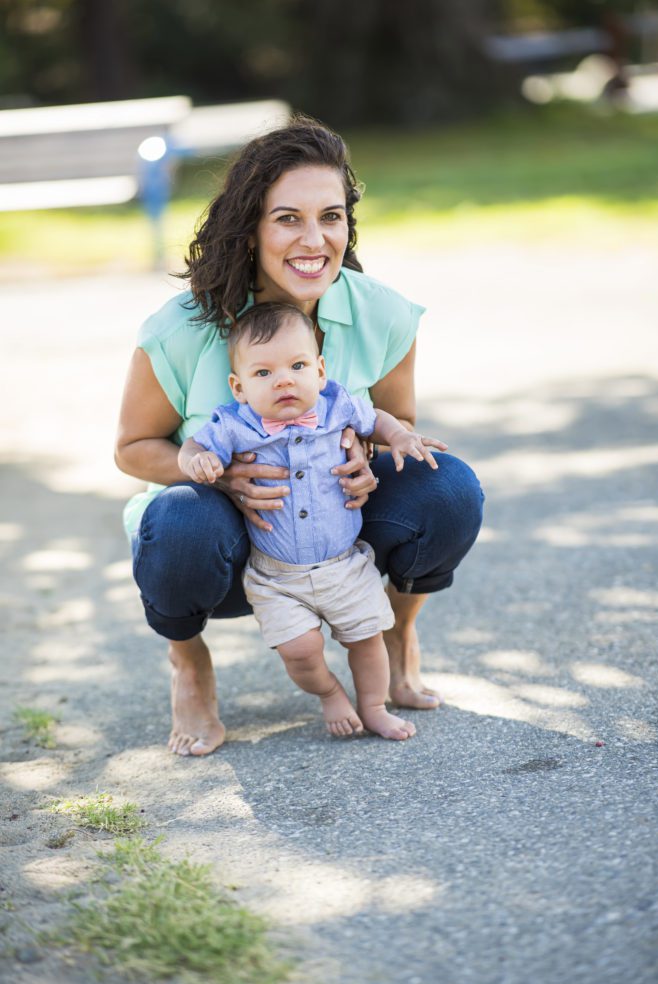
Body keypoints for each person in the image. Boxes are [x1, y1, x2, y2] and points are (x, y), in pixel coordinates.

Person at [115, 114, 484, 757]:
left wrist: (368, 457)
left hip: (337, 532)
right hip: (229, 544)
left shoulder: (383, 313)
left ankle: (395, 634)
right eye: (288, 218)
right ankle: (189, 663)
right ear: (249, 226)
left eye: (331, 216)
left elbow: (403, 429)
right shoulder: (179, 329)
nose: (315, 239)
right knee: (176, 521)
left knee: (445, 487)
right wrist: (219, 473)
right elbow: (131, 449)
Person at [179, 301, 448, 741]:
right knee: (300, 651)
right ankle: (328, 693)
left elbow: (376, 417)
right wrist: (199, 462)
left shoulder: (336, 404)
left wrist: (399, 434)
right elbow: (191, 447)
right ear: (239, 386)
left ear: (319, 371)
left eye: (297, 365)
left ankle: (375, 707)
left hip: (344, 565)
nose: (283, 379)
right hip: (277, 575)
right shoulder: (234, 425)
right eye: (263, 373)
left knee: (367, 642)